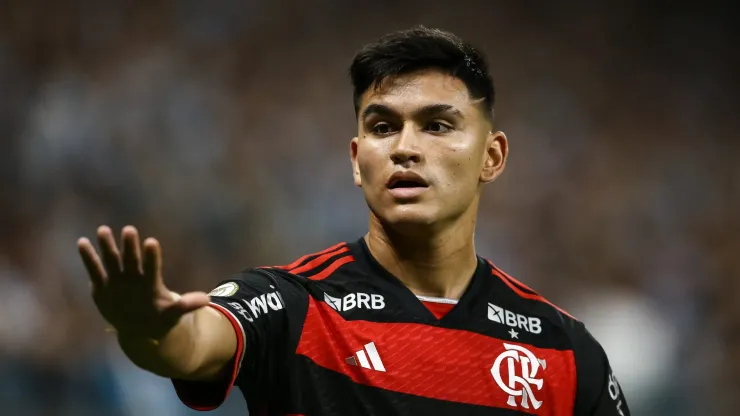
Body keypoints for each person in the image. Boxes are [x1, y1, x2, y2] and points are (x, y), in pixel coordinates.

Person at [77, 26, 631, 415]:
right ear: (355, 159)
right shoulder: (295, 305)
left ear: (492, 156)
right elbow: (193, 344)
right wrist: (147, 328)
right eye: (383, 127)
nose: (405, 148)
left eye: (437, 126)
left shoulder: (564, 351)